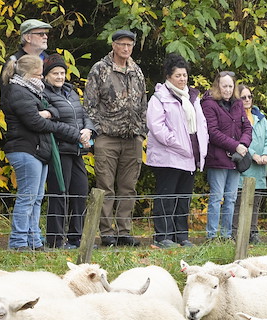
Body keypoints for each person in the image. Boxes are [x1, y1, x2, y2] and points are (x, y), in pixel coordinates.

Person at [0, 55, 80, 251]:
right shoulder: (18, 91)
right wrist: (49, 119)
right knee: (27, 197)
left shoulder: (33, 90)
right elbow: (34, 122)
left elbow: (53, 108)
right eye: (38, 74)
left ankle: (34, 240)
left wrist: (48, 113)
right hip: (25, 149)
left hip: (38, 150)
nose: (41, 78)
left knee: (36, 198)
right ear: (27, 74)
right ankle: (18, 242)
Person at [84, 29, 147, 247]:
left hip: (132, 138)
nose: (126, 48)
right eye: (122, 44)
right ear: (113, 45)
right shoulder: (100, 69)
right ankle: (106, 233)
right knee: (105, 186)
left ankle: (124, 232)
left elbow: (143, 104)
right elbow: (89, 105)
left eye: (129, 45)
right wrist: (96, 131)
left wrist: (141, 133)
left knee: (128, 187)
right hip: (107, 137)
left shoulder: (137, 71)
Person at [146, 52, 208, 248]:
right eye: (178, 76)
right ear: (168, 77)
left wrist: (200, 147)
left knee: (183, 198)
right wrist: (178, 144)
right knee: (166, 196)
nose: (182, 79)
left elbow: (201, 124)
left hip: (190, 157)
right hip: (168, 157)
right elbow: (157, 127)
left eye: (184, 75)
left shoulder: (193, 97)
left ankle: (181, 236)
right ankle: (163, 236)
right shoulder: (159, 98)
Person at [41, 53, 94, 249]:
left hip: (77, 150)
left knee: (80, 194)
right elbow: (52, 124)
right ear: (47, 75)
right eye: (55, 73)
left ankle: (76, 238)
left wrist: (89, 130)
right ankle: (55, 240)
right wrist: (76, 135)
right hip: (59, 150)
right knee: (60, 194)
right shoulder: (44, 94)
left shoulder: (71, 92)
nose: (60, 77)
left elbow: (84, 114)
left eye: (62, 73)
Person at [201, 71, 251, 242]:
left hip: (236, 159)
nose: (228, 90)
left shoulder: (238, 104)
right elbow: (212, 132)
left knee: (231, 198)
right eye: (224, 86)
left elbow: (247, 128)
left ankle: (226, 235)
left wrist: (243, 145)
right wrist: (235, 145)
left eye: (231, 86)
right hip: (218, 158)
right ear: (218, 86)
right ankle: (211, 236)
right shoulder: (209, 104)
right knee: (216, 197)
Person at [231, 83, 267, 245]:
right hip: (245, 164)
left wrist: (266, 154)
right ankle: (235, 233)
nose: (247, 100)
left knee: (255, 203)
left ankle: (253, 233)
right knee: (239, 202)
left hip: (260, 167)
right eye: (243, 97)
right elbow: (238, 138)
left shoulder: (261, 118)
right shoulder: (235, 117)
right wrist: (253, 154)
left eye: (249, 97)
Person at [0, 19, 51, 85]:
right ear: (28, 38)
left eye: (46, 34)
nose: (45, 37)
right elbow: (7, 90)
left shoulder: (48, 59)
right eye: (41, 34)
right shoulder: (14, 61)